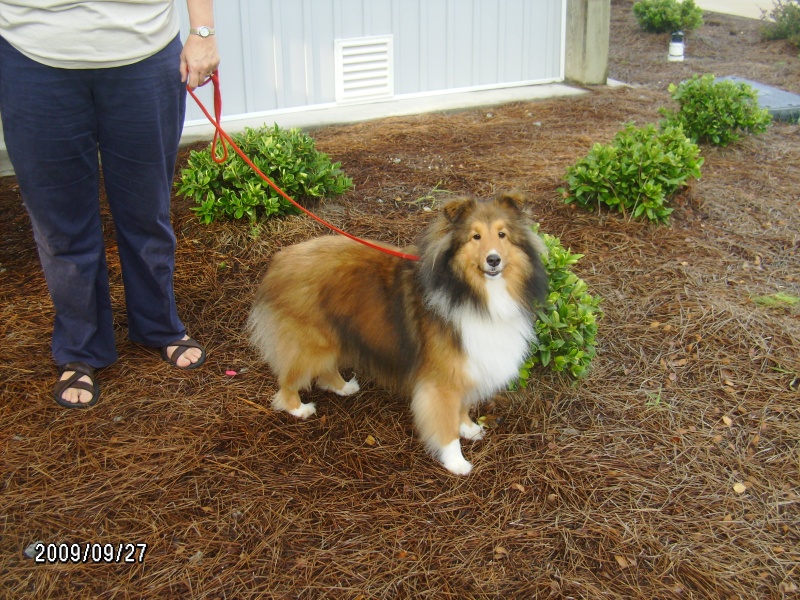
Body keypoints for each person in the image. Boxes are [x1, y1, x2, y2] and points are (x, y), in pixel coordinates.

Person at [0, 0, 220, 408]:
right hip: (32, 53)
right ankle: (80, 347)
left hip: (144, 51)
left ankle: (158, 325)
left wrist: (202, 31)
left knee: (146, 212)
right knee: (59, 223)